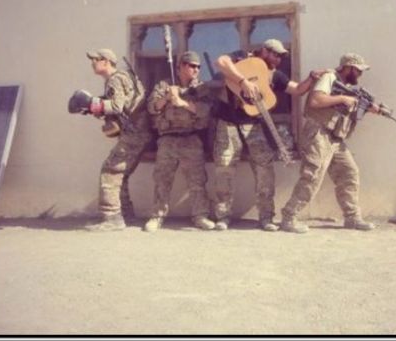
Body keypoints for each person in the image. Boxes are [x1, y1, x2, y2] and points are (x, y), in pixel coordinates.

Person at [213, 39, 323, 231]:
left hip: (256, 125)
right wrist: (243, 81)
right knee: (224, 168)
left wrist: (311, 78)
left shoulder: (275, 74)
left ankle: (266, 217)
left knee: (265, 170)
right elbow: (221, 61)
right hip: (228, 123)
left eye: (281, 56)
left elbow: (297, 89)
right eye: (275, 54)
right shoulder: (240, 57)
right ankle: (223, 216)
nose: (278, 59)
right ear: (264, 50)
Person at [280, 53, 380, 233]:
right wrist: (343, 99)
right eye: (358, 70)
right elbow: (316, 100)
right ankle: (289, 217)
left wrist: (370, 108)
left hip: (335, 138)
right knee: (312, 176)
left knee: (349, 173)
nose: (360, 74)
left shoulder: (348, 87)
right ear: (348, 67)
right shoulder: (329, 77)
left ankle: (352, 217)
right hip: (318, 133)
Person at [144, 51, 216, 232]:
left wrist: (182, 103)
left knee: (197, 181)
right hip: (168, 139)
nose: (196, 70)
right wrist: (167, 97)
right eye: (192, 66)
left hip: (191, 138)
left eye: (198, 67)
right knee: (162, 180)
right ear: (181, 66)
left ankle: (200, 216)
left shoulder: (201, 88)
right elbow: (152, 107)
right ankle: (157, 216)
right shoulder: (165, 85)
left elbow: (206, 110)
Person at [86, 48, 151, 231]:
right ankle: (126, 216)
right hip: (138, 133)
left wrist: (93, 104)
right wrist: (96, 109)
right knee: (121, 174)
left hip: (134, 134)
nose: (92, 63)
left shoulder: (115, 79)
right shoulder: (120, 78)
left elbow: (116, 106)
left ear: (106, 61)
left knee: (110, 171)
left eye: (95, 59)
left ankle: (112, 218)